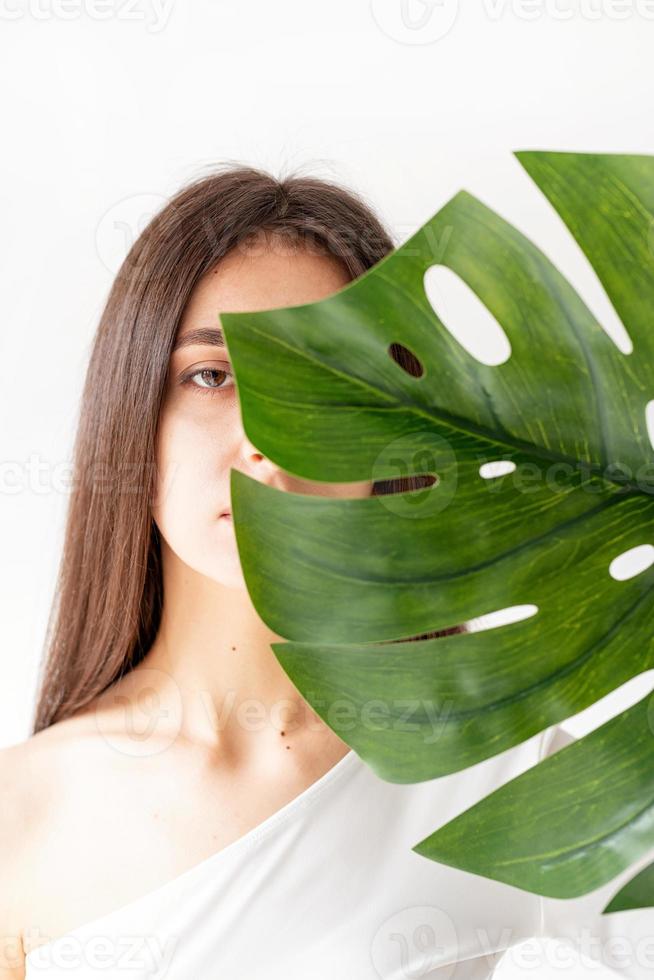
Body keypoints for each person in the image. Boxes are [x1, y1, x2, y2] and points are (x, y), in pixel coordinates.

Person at [0, 165, 651, 979]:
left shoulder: (505, 774)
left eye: (318, 378)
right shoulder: (19, 818)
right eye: (211, 376)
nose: (265, 441)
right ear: (132, 417)